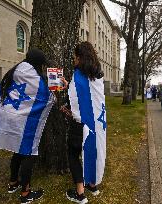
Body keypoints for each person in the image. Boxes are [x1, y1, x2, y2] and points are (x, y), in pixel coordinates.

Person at [0, 48, 58, 204]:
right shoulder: (34, 77)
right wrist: (58, 88)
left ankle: (13, 183)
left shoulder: (14, 71)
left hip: (9, 117)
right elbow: (48, 99)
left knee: (17, 150)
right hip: (23, 121)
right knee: (29, 152)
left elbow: (0, 91)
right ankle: (25, 193)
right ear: (38, 64)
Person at [61, 42, 106, 204]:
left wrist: (69, 110)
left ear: (79, 58)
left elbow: (76, 100)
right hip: (97, 123)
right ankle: (92, 185)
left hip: (80, 124)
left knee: (73, 154)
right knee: (93, 151)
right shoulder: (98, 74)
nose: (74, 60)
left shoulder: (78, 75)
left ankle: (80, 194)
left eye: (75, 57)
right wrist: (69, 86)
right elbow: (90, 98)